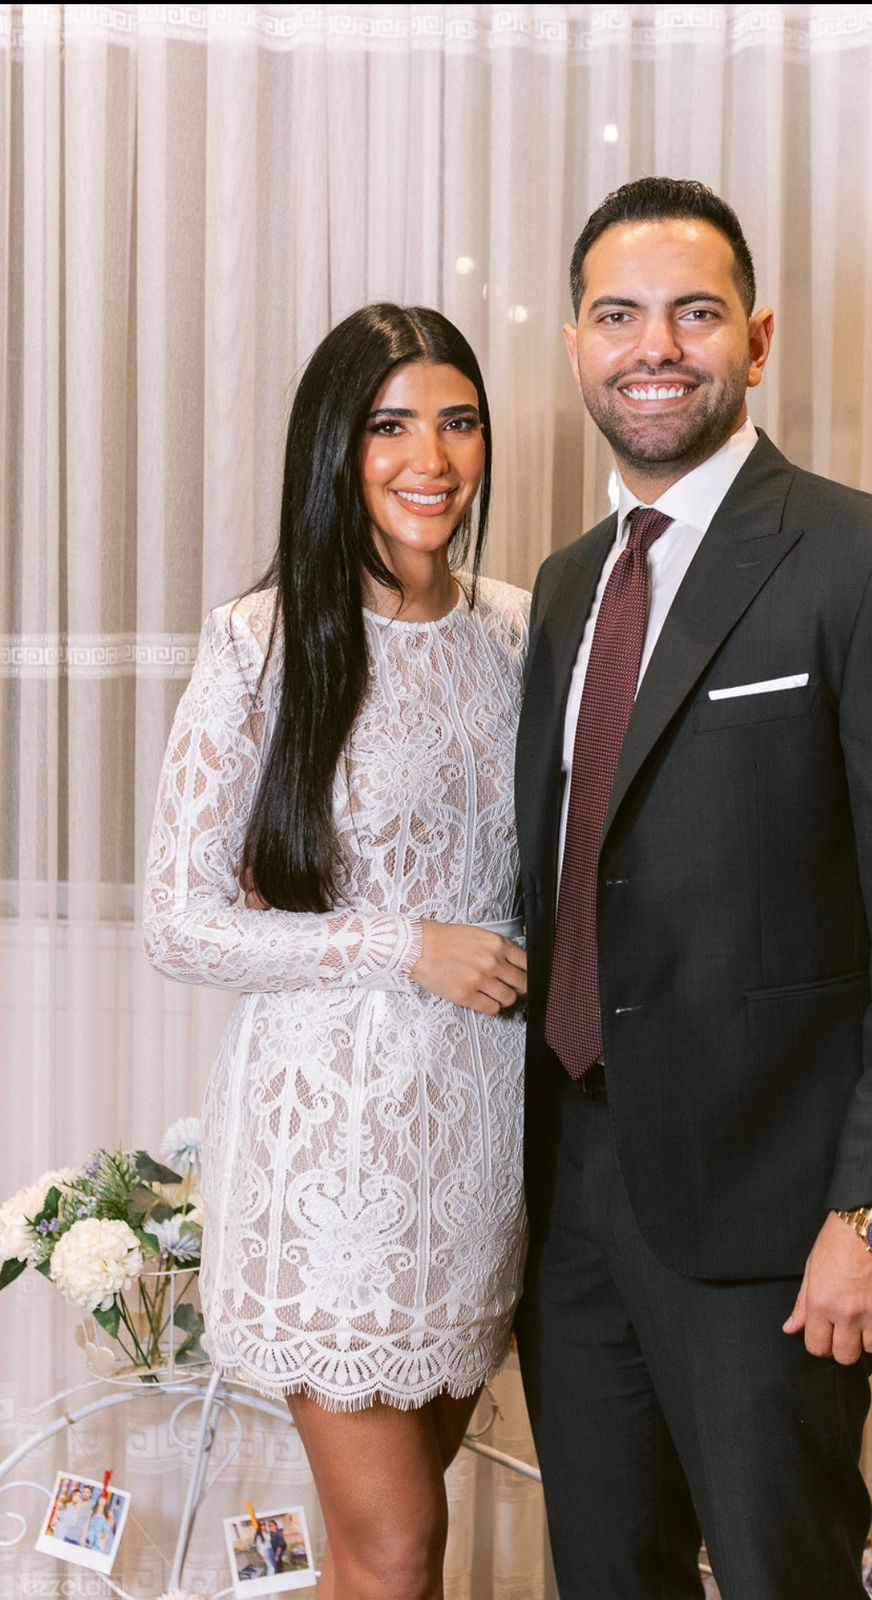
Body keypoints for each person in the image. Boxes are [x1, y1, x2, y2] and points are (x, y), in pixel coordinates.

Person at [514, 177, 872, 1598]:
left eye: (695, 313)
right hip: (571, 1198)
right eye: (619, 316)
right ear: (575, 346)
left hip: (779, 1221)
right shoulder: (564, 586)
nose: (655, 347)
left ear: (758, 338)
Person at [144, 303, 530, 1600]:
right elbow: (179, 920)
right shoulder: (262, 642)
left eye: (459, 422)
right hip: (331, 1154)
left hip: (483, 1148)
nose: (432, 458)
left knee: (383, 1550)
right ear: (335, 447)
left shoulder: (521, 629)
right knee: (397, 1547)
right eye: (390, 426)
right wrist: (405, 943)